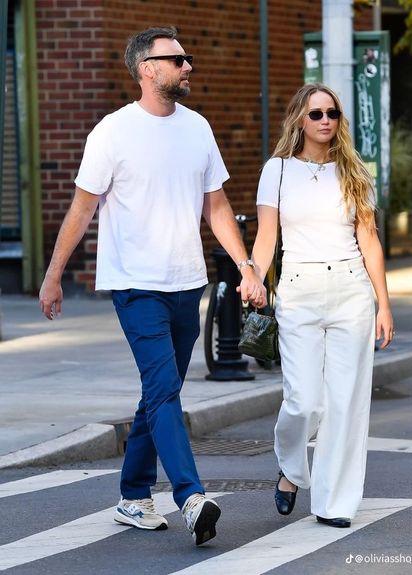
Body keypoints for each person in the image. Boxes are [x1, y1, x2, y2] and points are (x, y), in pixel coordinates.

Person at [39, 26, 266, 546]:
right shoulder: (111, 133)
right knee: (164, 389)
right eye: (178, 59)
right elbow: (81, 208)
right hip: (135, 284)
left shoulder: (198, 128)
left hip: (187, 282)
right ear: (147, 68)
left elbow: (217, 206)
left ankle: (133, 495)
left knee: (159, 391)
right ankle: (190, 496)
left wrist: (247, 265)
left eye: (188, 58)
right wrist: (53, 276)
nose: (189, 66)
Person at [251, 83, 393, 528]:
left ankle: (334, 504)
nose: (325, 120)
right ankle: (292, 468)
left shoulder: (355, 171)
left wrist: (384, 305)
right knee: (305, 401)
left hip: (352, 290)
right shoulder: (276, 171)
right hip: (298, 289)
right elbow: (266, 236)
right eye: (316, 114)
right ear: (299, 119)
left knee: (346, 403)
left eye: (332, 112)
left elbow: (369, 240)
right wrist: (252, 274)